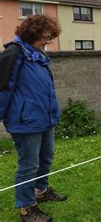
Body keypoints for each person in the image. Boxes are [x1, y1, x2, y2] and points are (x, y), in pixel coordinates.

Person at [0, 14, 67, 222]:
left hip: (44, 118)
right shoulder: (14, 52)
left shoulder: (38, 54)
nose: (48, 42)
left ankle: (41, 191)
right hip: (25, 121)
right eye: (46, 37)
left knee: (46, 157)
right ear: (33, 33)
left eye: (51, 38)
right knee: (29, 164)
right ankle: (27, 208)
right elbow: (2, 87)